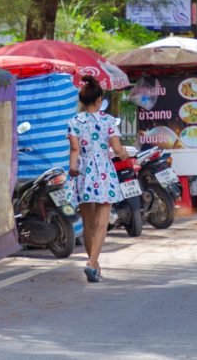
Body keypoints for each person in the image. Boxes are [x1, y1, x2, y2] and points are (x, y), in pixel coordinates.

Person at [67, 76, 129, 282]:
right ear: (99, 100)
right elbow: (117, 149)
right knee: (102, 223)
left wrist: (73, 166)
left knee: (88, 223)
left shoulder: (74, 121)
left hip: (84, 172)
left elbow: (74, 149)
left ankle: (94, 264)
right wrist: (126, 156)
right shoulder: (108, 120)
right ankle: (91, 263)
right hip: (104, 172)